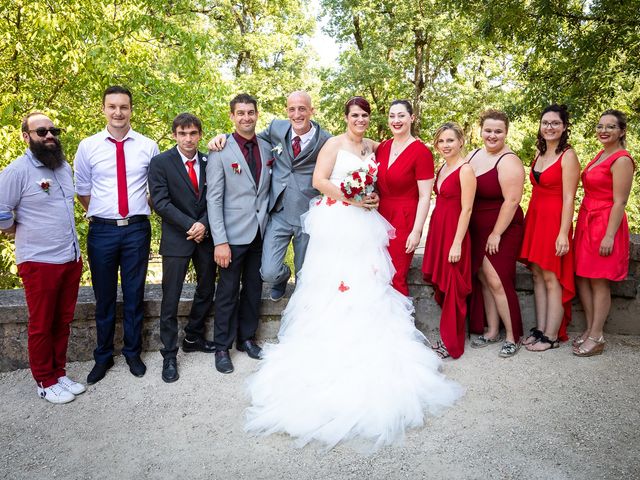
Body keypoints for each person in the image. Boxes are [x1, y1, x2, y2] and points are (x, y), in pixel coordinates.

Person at [244, 97, 462, 450]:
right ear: (345, 118)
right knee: (331, 284)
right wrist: (352, 198)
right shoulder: (333, 143)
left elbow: (398, 166)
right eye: (354, 115)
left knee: (370, 282)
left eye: (365, 115)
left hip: (366, 224)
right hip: (338, 220)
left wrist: (367, 199)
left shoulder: (375, 146)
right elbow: (319, 179)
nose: (360, 120)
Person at [209, 91, 331, 300]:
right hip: (278, 211)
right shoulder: (277, 128)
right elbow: (247, 138)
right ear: (287, 111)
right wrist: (224, 137)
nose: (297, 114)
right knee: (268, 272)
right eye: (292, 109)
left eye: (302, 109)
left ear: (312, 110)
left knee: (306, 275)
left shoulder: (325, 140)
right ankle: (282, 277)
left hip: (308, 213)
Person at [75, 86, 160, 383]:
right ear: (103, 109)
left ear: (131, 110)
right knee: (105, 297)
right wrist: (105, 213)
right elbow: (82, 191)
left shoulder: (148, 146)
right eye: (112, 106)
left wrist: (135, 210)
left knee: (135, 294)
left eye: (123, 106)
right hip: (102, 231)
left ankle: (133, 353)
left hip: (137, 229)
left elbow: (155, 189)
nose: (118, 112)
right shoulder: (88, 146)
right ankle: (103, 356)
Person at [0, 112, 84, 404]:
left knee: (62, 321)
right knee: (42, 323)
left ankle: (59, 373)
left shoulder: (62, 168)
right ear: (26, 136)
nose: (49, 135)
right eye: (41, 131)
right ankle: (44, 381)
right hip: (38, 262)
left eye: (53, 130)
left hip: (69, 258)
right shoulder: (17, 171)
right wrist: (10, 229)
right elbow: (0, 208)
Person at [148, 113, 216, 383]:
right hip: (178, 238)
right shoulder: (160, 162)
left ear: (200, 135)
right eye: (182, 133)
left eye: (193, 133)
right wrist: (192, 225)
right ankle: (169, 354)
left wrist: (205, 224)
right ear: (175, 135)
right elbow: (161, 203)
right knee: (171, 298)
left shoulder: (211, 161)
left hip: (206, 236)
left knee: (207, 288)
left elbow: (218, 197)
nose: (188, 139)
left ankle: (193, 336)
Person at [206, 94, 272, 374]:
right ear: (232, 116)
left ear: (257, 115)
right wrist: (220, 241)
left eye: (251, 112)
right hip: (231, 237)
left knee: (253, 290)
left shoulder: (269, 147)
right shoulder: (220, 149)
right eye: (240, 113)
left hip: (260, 232)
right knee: (228, 292)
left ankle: (246, 338)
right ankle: (222, 346)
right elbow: (214, 198)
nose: (246, 117)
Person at [573, 110, 635, 356]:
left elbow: (620, 202)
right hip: (588, 220)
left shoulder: (621, 159)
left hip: (605, 223)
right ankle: (590, 329)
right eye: (600, 126)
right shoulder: (601, 153)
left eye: (610, 127)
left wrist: (609, 235)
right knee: (583, 276)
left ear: (622, 131)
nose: (604, 131)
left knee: (599, 281)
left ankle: (598, 336)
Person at [519, 104, 580, 351]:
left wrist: (563, 232)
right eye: (546, 122)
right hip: (535, 218)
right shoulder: (540, 153)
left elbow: (569, 197)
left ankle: (552, 335)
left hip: (555, 220)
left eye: (555, 123)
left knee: (552, 276)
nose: (550, 127)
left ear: (564, 127)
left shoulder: (568, 155)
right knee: (537, 275)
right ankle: (541, 328)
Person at [467, 110, 525, 358]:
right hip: (477, 225)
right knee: (483, 277)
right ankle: (492, 330)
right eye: (488, 130)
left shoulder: (509, 160)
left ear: (506, 133)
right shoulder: (474, 154)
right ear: (481, 130)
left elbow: (512, 201)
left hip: (502, 226)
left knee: (497, 279)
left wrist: (496, 233)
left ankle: (513, 336)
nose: (492, 135)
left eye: (498, 131)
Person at [422, 122, 476, 359]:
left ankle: (452, 344)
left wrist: (457, 243)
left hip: (455, 234)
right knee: (444, 285)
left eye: (450, 140)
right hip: (438, 230)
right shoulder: (442, 166)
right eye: (441, 141)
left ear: (461, 141)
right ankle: (446, 337)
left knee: (454, 286)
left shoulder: (465, 170)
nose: (445, 145)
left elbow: (467, 209)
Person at [376, 100, 434, 296]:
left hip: (405, 218)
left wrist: (417, 231)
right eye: (392, 116)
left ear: (412, 118)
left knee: (396, 275)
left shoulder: (422, 152)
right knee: (377, 272)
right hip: (379, 217)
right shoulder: (383, 147)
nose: (396, 120)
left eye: (401, 115)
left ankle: (400, 324)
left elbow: (425, 196)